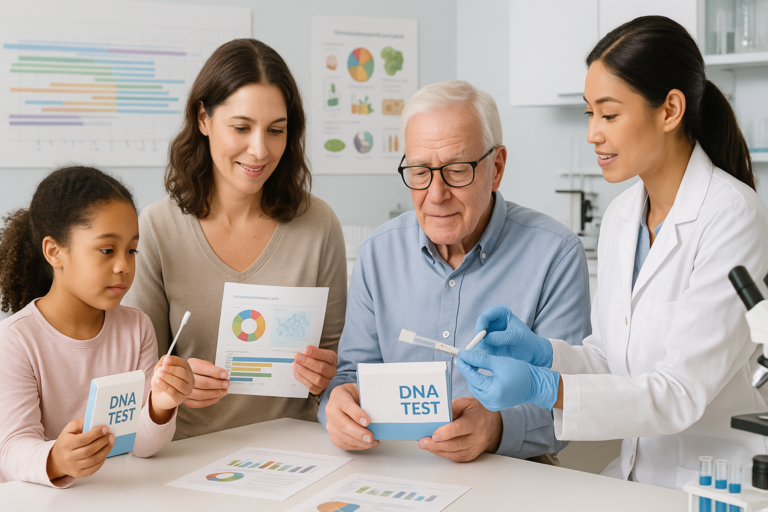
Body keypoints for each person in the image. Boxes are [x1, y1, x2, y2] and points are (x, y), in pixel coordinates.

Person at [456, 16, 768, 489]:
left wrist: (546, 390)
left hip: (715, 485)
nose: (592, 134)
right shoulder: (624, 216)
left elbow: (679, 392)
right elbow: (609, 361)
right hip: (634, 480)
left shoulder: (733, 217)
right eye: (589, 113)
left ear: (669, 110)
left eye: (609, 114)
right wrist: (543, 355)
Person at [319, 81, 591, 462]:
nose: (436, 193)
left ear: (496, 168)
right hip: (395, 468)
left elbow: (573, 402)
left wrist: (495, 428)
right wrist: (336, 404)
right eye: (419, 172)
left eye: (457, 170)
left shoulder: (555, 254)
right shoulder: (378, 252)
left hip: (507, 475)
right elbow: (351, 377)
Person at [123, 39, 347, 439]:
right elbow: (136, 373)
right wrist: (172, 383)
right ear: (203, 120)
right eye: (241, 128)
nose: (260, 150)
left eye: (276, 130)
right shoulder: (157, 227)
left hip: (295, 453)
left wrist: (327, 376)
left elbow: (339, 370)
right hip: (186, 454)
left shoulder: (320, 225)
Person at [0, 166, 194, 488]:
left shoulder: (137, 328)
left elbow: (140, 444)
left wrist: (160, 404)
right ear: (54, 252)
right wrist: (57, 458)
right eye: (107, 250)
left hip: (115, 495)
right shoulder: (16, 341)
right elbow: (12, 449)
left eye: (131, 250)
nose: (124, 266)